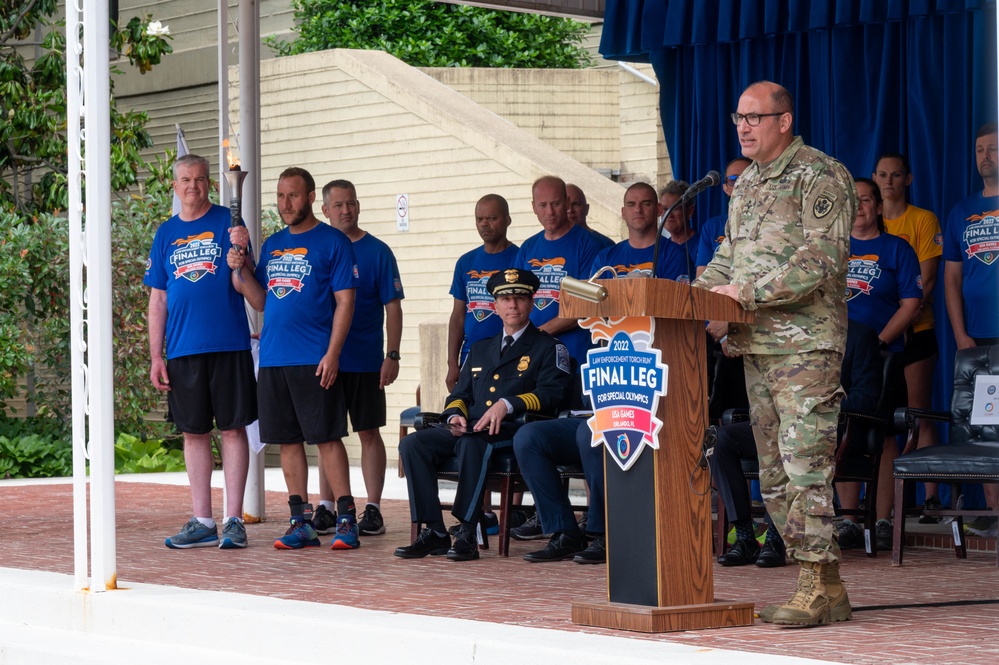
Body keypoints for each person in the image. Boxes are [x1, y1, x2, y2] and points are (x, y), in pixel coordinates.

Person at [695, 81, 856, 627]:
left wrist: (747, 293)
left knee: (804, 465)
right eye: (738, 116)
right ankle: (830, 588)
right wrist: (694, 293)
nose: (742, 126)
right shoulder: (747, 185)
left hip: (805, 347)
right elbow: (727, 258)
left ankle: (812, 584)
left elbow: (824, 258)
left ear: (784, 121)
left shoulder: (818, 173)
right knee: (775, 475)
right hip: (756, 348)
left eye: (754, 117)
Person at [394, 269, 573, 561]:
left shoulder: (549, 347)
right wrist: (454, 416)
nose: (512, 305)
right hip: (470, 429)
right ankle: (436, 532)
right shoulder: (479, 349)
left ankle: (466, 532)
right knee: (413, 444)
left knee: (472, 443)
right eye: (505, 298)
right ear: (495, 306)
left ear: (531, 303)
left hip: (512, 431)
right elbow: (459, 395)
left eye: (519, 297)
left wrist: (508, 404)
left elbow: (553, 394)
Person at [226, 167, 361, 551]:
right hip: (273, 358)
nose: (286, 204)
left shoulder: (333, 242)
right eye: (281, 196)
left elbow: (345, 302)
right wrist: (242, 270)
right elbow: (261, 300)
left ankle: (347, 518)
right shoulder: (273, 244)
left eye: (294, 196)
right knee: (287, 441)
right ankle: (299, 522)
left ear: (311, 197)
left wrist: (333, 353)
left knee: (326, 438)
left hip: (314, 357)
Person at [145, 153, 255, 550]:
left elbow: (247, 278)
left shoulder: (230, 221)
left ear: (210, 183)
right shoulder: (165, 234)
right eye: (185, 180)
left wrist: (242, 254)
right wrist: (156, 355)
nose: (193, 186)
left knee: (232, 427)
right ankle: (204, 520)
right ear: (175, 187)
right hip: (183, 348)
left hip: (228, 343)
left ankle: (234, 520)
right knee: (193, 433)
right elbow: (158, 299)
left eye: (200, 179)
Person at [713, 320, 882, 567]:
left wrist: (813, 404)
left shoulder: (859, 334)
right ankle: (745, 537)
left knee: (790, 438)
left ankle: (775, 538)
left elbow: (867, 397)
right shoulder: (783, 330)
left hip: (824, 426)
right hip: (778, 422)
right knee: (721, 439)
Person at [318, 179, 405, 538]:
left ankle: (373, 508)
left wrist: (393, 354)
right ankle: (326, 507)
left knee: (369, 431)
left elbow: (394, 308)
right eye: (338, 205)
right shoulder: (318, 247)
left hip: (367, 360)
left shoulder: (378, 251)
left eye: (351, 203)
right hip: (324, 361)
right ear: (324, 210)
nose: (346, 210)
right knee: (327, 434)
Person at [838, 177, 921, 552]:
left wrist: (878, 340)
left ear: (878, 206)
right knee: (841, 429)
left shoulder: (897, 249)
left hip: (883, 354)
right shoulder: (833, 248)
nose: (860, 206)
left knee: (885, 435)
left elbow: (911, 304)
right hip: (837, 354)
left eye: (867, 199)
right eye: (853, 200)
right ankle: (849, 520)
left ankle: (884, 519)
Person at [872, 152, 944, 518]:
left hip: (916, 331)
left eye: (896, 175)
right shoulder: (866, 219)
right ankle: (879, 505)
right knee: (878, 421)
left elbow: (926, 282)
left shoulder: (922, 220)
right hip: (875, 341)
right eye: (882, 175)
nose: (889, 181)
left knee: (919, 415)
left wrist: (900, 319)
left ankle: (931, 498)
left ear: (908, 179)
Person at [943, 122, 999, 536]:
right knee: (985, 423)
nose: (986, 157)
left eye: (993, 149)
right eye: (980, 150)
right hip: (978, 337)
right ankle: (994, 514)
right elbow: (951, 280)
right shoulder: (961, 211)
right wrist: (961, 335)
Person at [516, 176, 605, 366]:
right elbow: (515, 298)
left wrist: (536, 335)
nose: (549, 212)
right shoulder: (528, 248)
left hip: (576, 358)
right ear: (533, 207)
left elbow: (585, 306)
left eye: (555, 204)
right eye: (543, 205)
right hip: (534, 359)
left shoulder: (589, 245)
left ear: (566, 203)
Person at [446, 194, 520, 392]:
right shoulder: (465, 262)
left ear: (507, 220)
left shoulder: (520, 259)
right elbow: (458, 316)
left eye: (491, 218)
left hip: (508, 355)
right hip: (470, 355)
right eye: (480, 219)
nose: (484, 224)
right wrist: (452, 363)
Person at [696, 157, 752, 278]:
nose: (740, 184)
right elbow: (702, 276)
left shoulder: (769, 221)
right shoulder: (712, 227)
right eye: (733, 179)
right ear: (725, 188)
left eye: (747, 178)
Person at [657, 180, 698, 283]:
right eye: (665, 209)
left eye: (675, 209)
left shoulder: (702, 245)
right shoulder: (661, 248)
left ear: (690, 211)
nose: (669, 215)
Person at [567, 183, 614, 248]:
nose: (570, 210)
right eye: (565, 205)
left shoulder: (605, 245)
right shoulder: (550, 244)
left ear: (587, 209)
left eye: (576, 204)